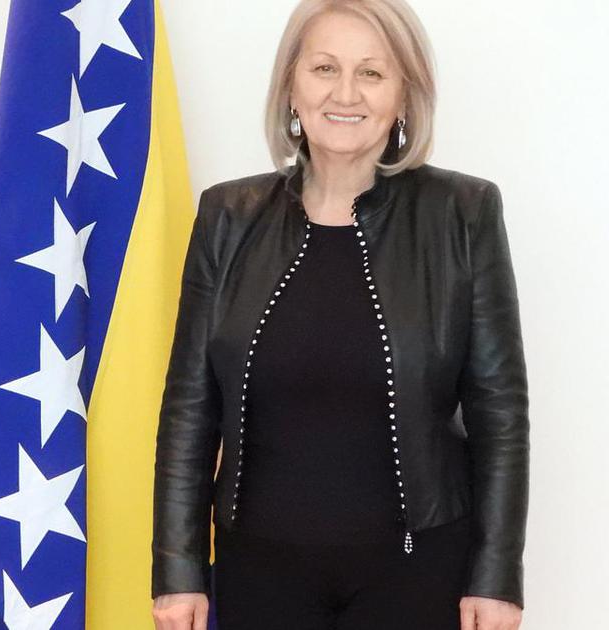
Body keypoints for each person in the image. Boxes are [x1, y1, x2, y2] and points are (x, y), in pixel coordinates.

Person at [150, 1, 527, 629]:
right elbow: (190, 407)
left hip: (419, 573)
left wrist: (497, 578)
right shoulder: (227, 217)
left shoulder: (463, 213)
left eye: (372, 73)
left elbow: (500, 414)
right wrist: (177, 569)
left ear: (404, 96)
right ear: (291, 86)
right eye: (324, 67)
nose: (345, 93)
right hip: (258, 575)